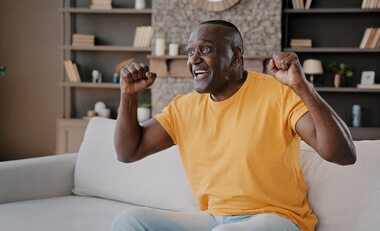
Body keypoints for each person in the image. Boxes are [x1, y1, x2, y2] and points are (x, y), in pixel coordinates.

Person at [113, 20, 356, 231]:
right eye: (190, 52)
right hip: (213, 220)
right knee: (129, 221)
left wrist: (302, 86)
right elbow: (128, 151)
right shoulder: (183, 108)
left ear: (236, 56)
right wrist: (128, 95)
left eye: (206, 49)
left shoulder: (277, 93)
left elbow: (343, 154)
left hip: (277, 219)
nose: (194, 60)